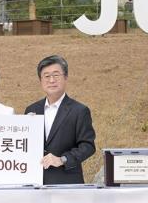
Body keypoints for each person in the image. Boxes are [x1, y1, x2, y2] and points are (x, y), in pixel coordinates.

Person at [25, 55, 96, 185]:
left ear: (66, 77)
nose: (51, 80)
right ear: (40, 80)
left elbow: (88, 146)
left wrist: (62, 159)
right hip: (36, 181)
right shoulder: (31, 110)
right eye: (46, 76)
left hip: (67, 182)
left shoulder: (79, 111)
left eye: (56, 75)